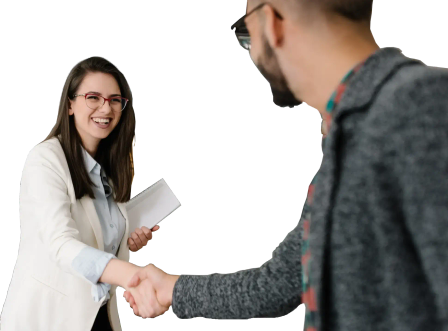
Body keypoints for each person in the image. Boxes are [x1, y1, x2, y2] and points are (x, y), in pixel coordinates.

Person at [122, 0, 448, 330]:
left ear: (270, 22)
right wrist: (171, 290)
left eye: (247, 34)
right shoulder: (349, 140)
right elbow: (276, 286)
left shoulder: (421, 105)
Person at [0, 58, 163, 330]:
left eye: (114, 100)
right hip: (49, 320)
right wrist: (134, 276)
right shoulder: (45, 159)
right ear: (71, 104)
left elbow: (98, 240)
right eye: (93, 97)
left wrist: (127, 240)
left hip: (99, 317)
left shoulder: (108, 171)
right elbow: (61, 244)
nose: (105, 108)